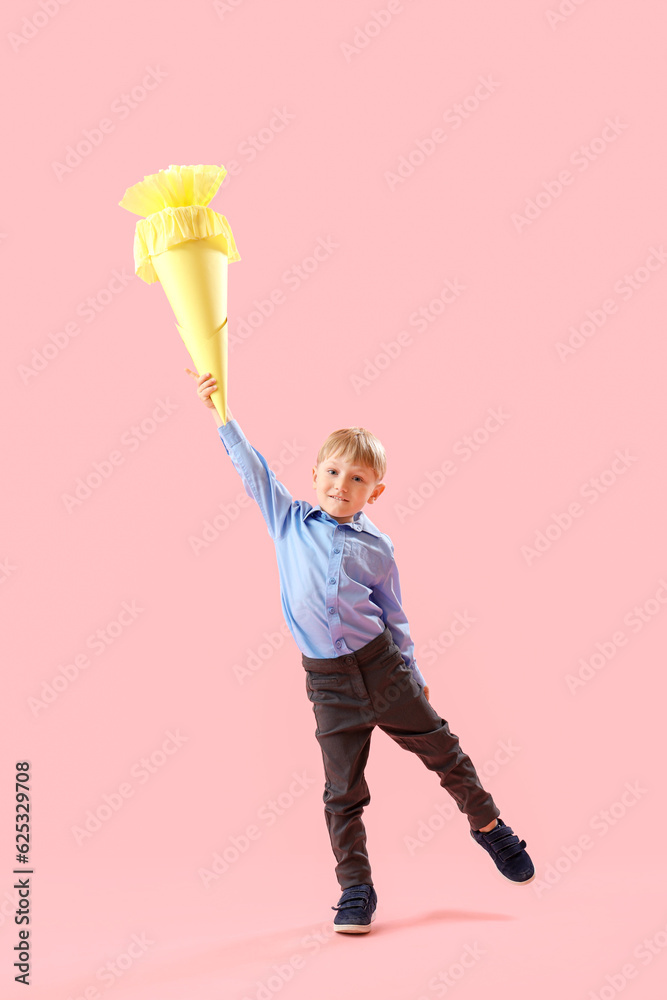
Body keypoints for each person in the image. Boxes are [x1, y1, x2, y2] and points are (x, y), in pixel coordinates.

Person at [186, 367, 535, 934]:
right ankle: (356, 890)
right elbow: (254, 473)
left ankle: (492, 828)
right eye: (332, 471)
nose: (340, 485)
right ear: (316, 473)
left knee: (446, 752)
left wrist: (413, 673)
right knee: (342, 791)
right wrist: (221, 416)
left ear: (375, 491)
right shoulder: (290, 521)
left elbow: (393, 613)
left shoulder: (378, 545)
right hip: (328, 684)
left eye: (356, 479)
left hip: (383, 669)